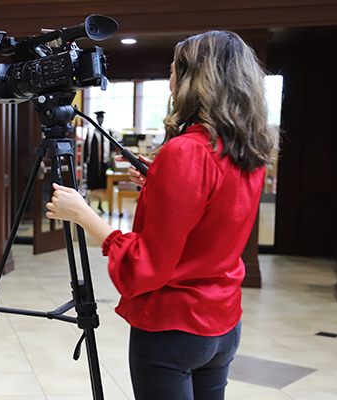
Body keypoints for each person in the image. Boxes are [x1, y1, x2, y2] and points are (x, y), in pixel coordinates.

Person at [46, 30, 278, 400]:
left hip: (175, 326)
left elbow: (146, 264)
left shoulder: (185, 151)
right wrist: (161, 180)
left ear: (193, 80)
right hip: (222, 322)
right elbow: (213, 212)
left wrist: (84, 214)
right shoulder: (247, 148)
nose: (170, 80)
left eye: (174, 71)